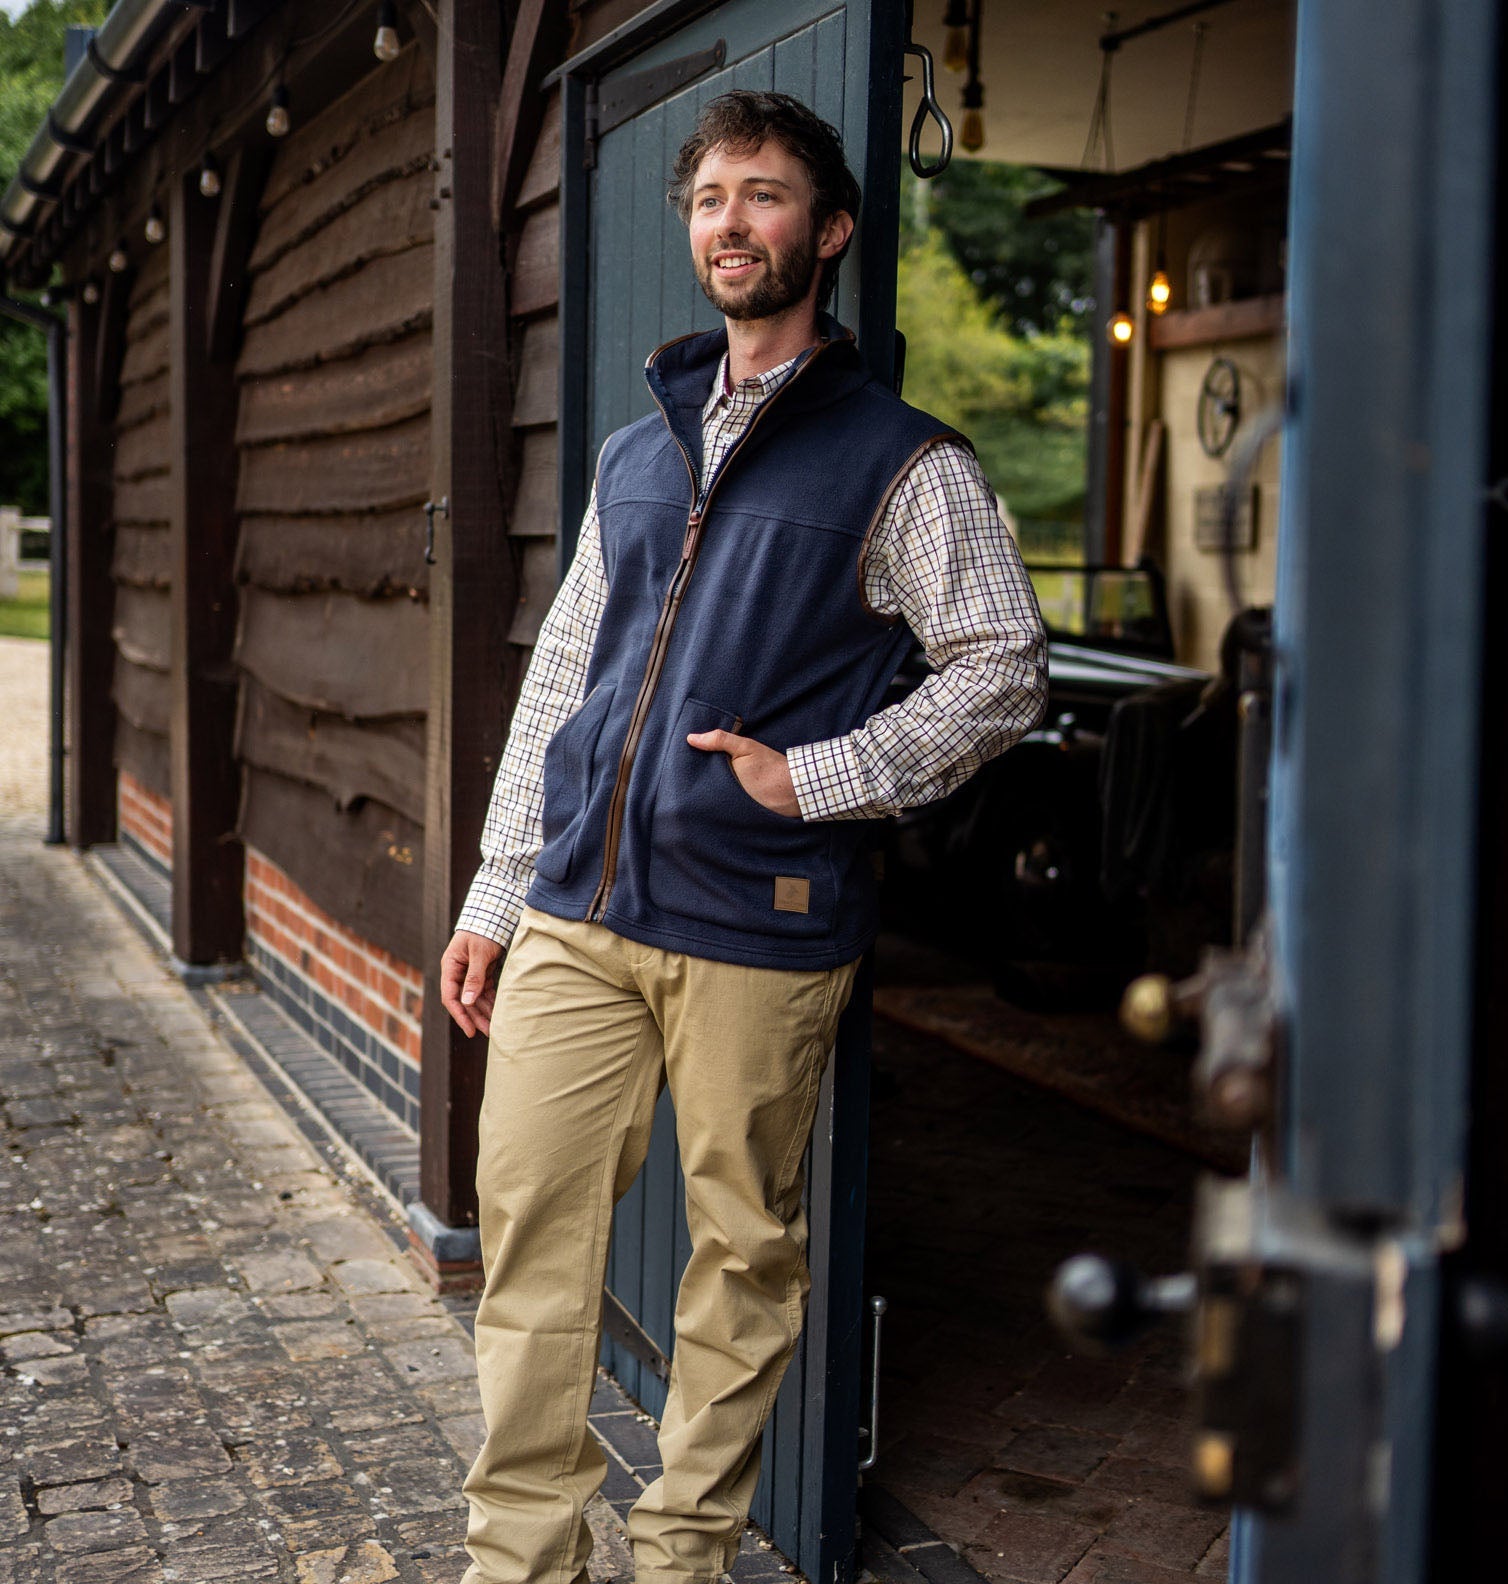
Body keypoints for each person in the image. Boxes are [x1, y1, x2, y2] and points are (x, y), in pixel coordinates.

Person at [440, 90, 1047, 1584]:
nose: (731, 223)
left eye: (764, 196)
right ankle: (519, 1558)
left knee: (742, 1258)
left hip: (758, 924)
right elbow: (562, 678)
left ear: (827, 231)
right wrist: (495, 893)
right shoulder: (634, 455)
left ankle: (683, 1551)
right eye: (711, 198)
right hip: (580, 912)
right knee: (526, 1232)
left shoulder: (903, 462)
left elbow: (1005, 664)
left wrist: (824, 777)